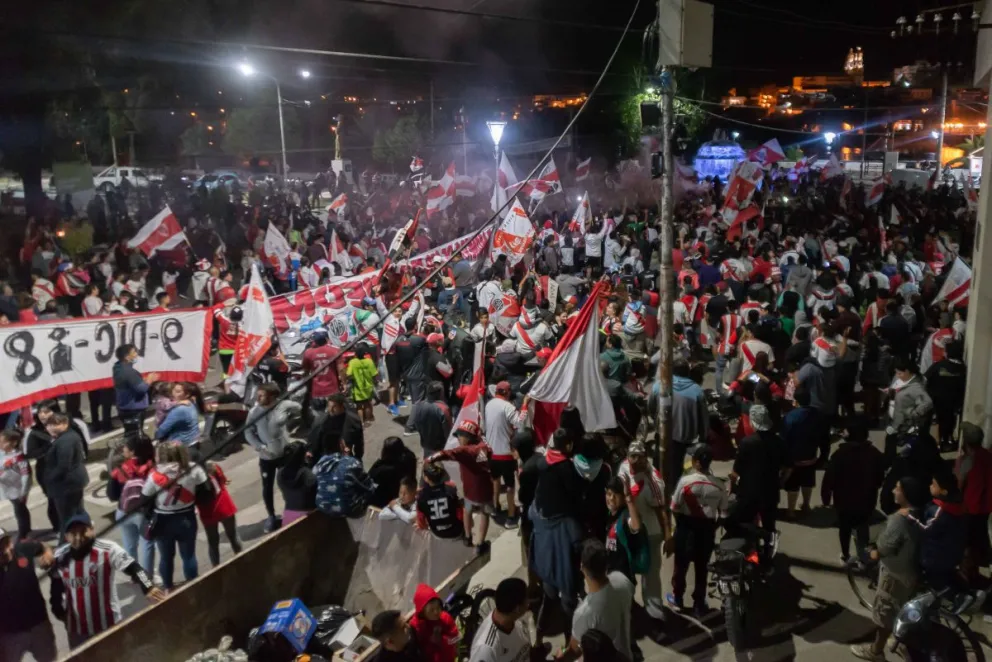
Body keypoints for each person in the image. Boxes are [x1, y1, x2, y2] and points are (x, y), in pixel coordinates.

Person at [50, 513, 165, 647]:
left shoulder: (108, 550)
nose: (78, 537)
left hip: (108, 626)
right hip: (77, 630)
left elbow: (135, 568)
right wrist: (58, 610)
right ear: (66, 537)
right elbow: (55, 586)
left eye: (83, 531)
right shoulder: (60, 557)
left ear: (92, 529)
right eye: (73, 533)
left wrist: (148, 587)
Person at [850, 477, 926, 662]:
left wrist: (869, 553)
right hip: (913, 572)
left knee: (885, 614)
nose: (893, 491)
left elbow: (882, 549)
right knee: (905, 611)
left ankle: (876, 651)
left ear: (906, 495)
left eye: (897, 489)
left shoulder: (899, 520)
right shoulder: (921, 514)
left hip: (895, 575)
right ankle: (902, 643)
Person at [142, 442, 212, 592]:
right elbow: (207, 492)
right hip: (186, 517)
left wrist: (151, 514)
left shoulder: (154, 475)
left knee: (166, 558)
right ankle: (193, 586)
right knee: (189, 556)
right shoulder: (194, 469)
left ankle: (168, 588)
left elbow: (144, 500)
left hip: (163, 520)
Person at [667, 444, 728, 617]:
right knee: (702, 569)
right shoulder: (719, 486)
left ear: (695, 462)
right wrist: (712, 527)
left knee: (681, 566)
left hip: (685, 529)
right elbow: (723, 514)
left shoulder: (685, 482)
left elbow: (674, 507)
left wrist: (681, 523)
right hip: (706, 532)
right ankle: (699, 604)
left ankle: (677, 598)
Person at [616, 441, 671, 620]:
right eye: (632, 456)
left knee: (651, 574)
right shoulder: (623, 467)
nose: (635, 461)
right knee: (626, 571)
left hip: (650, 534)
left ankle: (654, 614)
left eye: (639, 457)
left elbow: (661, 509)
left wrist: (668, 536)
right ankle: (629, 608)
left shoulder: (654, 480)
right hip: (629, 532)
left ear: (645, 458)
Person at [821, 417, 885, 565]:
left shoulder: (839, 454)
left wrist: (826, 497)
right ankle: (863, 556)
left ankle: (845, 555)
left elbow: (829, 478)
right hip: (867, 499)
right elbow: (880, 477)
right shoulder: (874, 453)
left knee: (844, 528)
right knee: (863, 526)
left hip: (844, 500)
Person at [560, 540, 635, 662]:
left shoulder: (584, 613)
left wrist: (562, 652)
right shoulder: (622, 580)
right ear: (606, 564)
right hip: (625, 657)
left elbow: (574, 651)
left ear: (582, 567)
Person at [245, 382, 302, 532]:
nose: (258, 398)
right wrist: (260, 446)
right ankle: (271, 516)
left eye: (262, 395)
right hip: (267, 456)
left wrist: (290, 418)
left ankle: (292, 510)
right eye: (258, 395)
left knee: (289, 483)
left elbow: (299, 408)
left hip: (285, 453)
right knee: (267, 486)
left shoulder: (283, 405)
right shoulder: (254, 412)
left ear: (272, 396)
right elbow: (248, 432)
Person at [428, 420, 492, 547]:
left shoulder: (465, 451)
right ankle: (480, 543)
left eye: (459, 436)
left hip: (469, 490)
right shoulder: (483, 445)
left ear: (467, 437)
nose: (458, 439)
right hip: (485, 489)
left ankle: (468, 537)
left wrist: (429, 459)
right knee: (485, 513)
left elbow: (446, 453)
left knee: (467, 511)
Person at [731, 404, 787, 547]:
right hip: (771, 491)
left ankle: (750, 548)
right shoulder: (778, 442)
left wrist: (732, 488)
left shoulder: (746, 442)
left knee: (744, 522)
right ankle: (768, 550)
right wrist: (781, 481)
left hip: (749, 492)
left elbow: (736, 471)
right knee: (769, 524)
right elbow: (788, 466)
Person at [0, 527, 58, 662]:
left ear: (10, 541)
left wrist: (48, 553)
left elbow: (43, 546)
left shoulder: (23, 548)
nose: (4, 550)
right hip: (9, 635)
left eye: (4, 543)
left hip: (39, 625)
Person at [107, 435, 156, 576]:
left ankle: (136, 576)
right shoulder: (152, 468)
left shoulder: (120, 469)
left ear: (133, 451)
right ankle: (147, 578)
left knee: (129, 545)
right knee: (147, 544)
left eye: (126, 447)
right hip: (143, 512)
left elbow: (112, 495)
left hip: (123, 511)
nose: (123, 449)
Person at [43, 413, 90, 540]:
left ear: (65, 424)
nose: (51, 428)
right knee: (78, 511)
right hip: (72, 482)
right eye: (49, 425)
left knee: (67, 517)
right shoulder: (65, 437)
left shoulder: (66, 440)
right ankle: (85, 535)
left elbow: (63, 466)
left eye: (55, 424)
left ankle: (66, 544)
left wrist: (49, 478)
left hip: (67, 485)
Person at [485, 381, 524, 527]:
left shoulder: (489, 405)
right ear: (507, 392)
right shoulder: (508, 407)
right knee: (510, 486)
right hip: (506, 453)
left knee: (495, 480)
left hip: (491, 452)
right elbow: (520, 423)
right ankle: (511, 517)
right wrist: (524, 407)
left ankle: (495, 508)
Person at [956, 423, 992, 578]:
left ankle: (970, 572)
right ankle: (982, 559)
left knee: (969, 541)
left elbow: (960, 485)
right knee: (981, 535)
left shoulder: (968, 461)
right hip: (986, 507)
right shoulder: (988, 456)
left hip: (971, 508)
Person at [781, 387, 824, 518]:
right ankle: (806, 505)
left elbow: (784, 438)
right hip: (811, 456)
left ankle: (791, 511)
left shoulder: (790, 417)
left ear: (796, 401)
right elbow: (824, 436)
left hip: (794, 458)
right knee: (807, 482)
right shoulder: (817, 414)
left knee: (793, 486)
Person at [468, 577, 532, 662]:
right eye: (526, 600)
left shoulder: (516, 619)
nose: (528, 603)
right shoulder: (486, 650)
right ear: (517, 609)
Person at [669, 359, 708, 492]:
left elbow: (651, 406)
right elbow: (704, 419)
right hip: (688, 437)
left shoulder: (661, 385)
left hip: (666, 434)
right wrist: (703, 437)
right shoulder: (697, 391)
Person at [313, 433, 376, 518]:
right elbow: (368, 487)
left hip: (323, 507)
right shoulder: (351, 462)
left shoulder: (319, 463)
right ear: (341, 444)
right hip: (349, 510)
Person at [198, 461, 243, 568]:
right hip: (224, 505)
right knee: (233, 535)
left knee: (213, 541)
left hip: (207, 511)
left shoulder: (191, 476)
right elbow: (223, 479)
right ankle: (242, 562)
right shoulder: (213, 466)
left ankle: (216, 568)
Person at [603, 476, 647, 584]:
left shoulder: (626, 516)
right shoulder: (609, 516)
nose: (611, 498)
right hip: (610, 575)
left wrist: (629, 499)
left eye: (616, 495)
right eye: (609, 494)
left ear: (623, 498)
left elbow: (636, 526)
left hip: (624, 578)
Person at [112, 344, 158, 436]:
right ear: (127, 357)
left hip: (125, 407)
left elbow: (130, 384)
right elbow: (141, 389)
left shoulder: (118, 368)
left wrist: (142, 381)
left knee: (131, 433)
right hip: (133, 409)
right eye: (134, 352)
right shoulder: (128, 371)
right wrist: (149, 380)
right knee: (135, 435)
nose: (136, 354)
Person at [410, 583, 460, 662]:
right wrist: (432, 642)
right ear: (422, 612)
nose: (436, 612)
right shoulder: (417, 626)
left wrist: (442, 640)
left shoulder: (445, 618)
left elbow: (456, 637)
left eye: (438, 607)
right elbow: (419, 650)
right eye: (431, 610)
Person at [309, 393, 366, 461]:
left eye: (334, 407)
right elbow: (314, 442)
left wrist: (357, 458)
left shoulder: (353, 421)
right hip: (326, 458)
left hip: (345, 458)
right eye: (329, 406)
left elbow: (359, 443)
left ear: (342, 406)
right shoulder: (321, 421)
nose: (330, 410)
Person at [301, 329, 343, 420]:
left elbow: (306, 372)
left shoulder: (308, 353)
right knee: (335, 417)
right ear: (326, 338)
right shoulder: (335, 350)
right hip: (332, 390)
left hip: (317, 391)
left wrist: (307, 386)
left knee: (319, 418)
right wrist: (344, 383)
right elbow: (341, 370)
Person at [404, 382, 452, 458]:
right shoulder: (443, 409)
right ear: (440, 393)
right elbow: (448, 430)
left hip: (425, 444)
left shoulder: (418, 406)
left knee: (427, 460)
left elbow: (416, 424)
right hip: (440, 447)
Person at [368, 436, 417, 509]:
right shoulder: (410, 457)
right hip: (407, 493)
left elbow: (370, 476)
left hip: (389, 499)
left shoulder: (385, 469)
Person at [416, 463, 464, 537]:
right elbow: (460, 513)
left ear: (426, 478)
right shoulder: (451, 488)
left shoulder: (421, 496)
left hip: (437, 533)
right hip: (456, 530)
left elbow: (421, 521)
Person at [0, 429, 32, 539]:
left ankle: (24, 532)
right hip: (7, 488)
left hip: (17, 489)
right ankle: (25, 529)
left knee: (20, 510)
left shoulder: (18, 457)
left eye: (3, 442)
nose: (0, 444)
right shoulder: (2, 454)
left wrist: (23, 492)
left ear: (13, 443)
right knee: (18, 508)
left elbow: (25, 475)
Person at [278, 441, 318, 525]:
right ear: (301, 456)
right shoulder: (308, 476)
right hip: (310, 518)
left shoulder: (280, 474)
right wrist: (309, 464)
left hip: (289, 518)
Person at [154, 382, 201, 446]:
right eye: (173, 389)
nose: (173, 393)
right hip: (194, 440)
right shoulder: (191, 402)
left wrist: (156, 436)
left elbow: (161, 431)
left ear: (187, 394)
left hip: (181, 445)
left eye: (177, 391)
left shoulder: (179, 410)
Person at [347, 344, 379, 427]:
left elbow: (348, 374)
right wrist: (375, 382)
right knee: (367, 404)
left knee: (359, 406)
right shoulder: (369, 361)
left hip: (358, 388)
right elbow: (375, 374)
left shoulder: (353, 362)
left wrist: (353, 378)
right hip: (368, 387)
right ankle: (367, 420)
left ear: (355, 353)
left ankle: (361, 422)